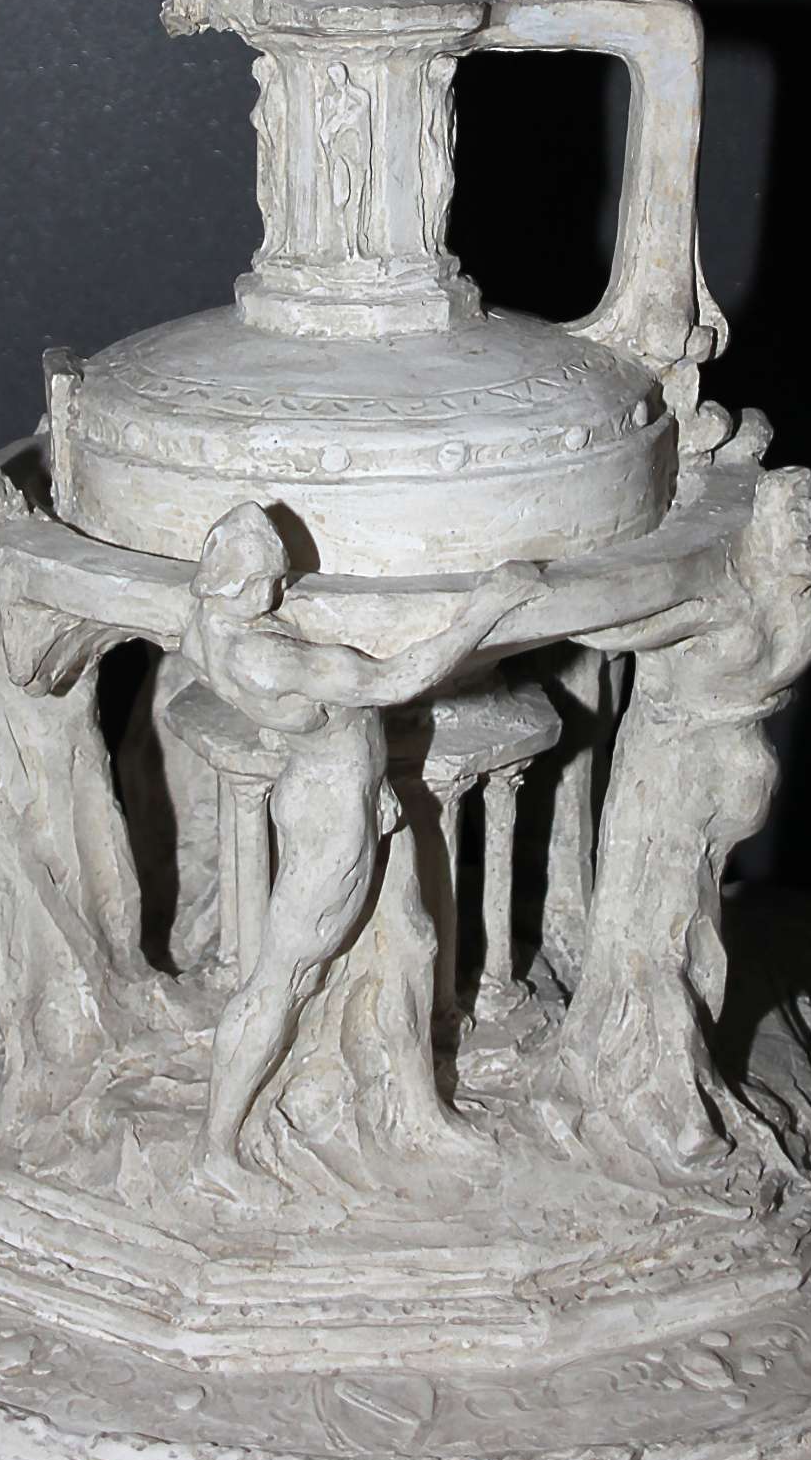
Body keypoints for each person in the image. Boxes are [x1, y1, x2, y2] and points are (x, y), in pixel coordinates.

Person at [179, 503, 542, 1197]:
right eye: (271, 581)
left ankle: (417, 1103)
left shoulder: (204, 627)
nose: (280, 591)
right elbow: (390, 682)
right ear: (240, 584)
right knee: (280, 980)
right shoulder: (264, 656)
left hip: (349, 793)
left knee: (410, 937)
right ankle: (215, 1149)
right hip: (332, 814)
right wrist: (488, 607)